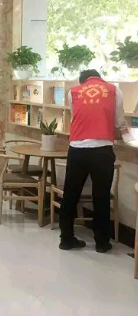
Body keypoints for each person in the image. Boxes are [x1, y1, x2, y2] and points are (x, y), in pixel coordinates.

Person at [59, 69, 136, 252]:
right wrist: (127, 138)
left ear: (83, 81)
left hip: (77, 149)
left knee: (70, 195)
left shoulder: (73, 92)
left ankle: (66, 239)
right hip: (102, 150)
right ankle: (102, 243)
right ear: (100, 78)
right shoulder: (114, 90)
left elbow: (77, 117)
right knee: (101, 196)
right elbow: (119, 121)